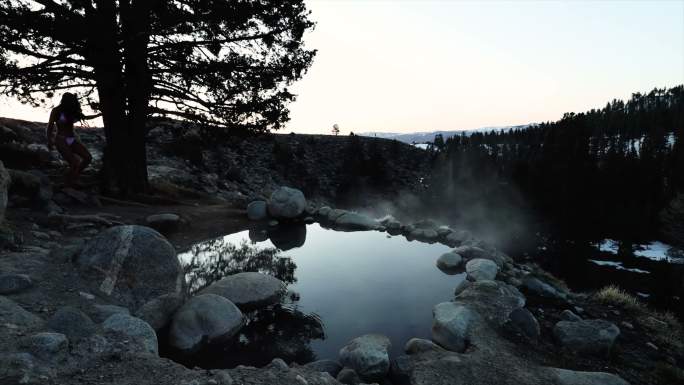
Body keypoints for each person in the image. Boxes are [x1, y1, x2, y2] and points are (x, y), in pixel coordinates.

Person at [46, 93, 93, 186]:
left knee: (88, 157)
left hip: (71, 139)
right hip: (61, 140)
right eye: (71, 100)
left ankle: (72, 177)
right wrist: (49, 140)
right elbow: (50, 126)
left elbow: (84, 117)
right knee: (74, 162)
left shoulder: (71, 110)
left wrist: (100, 114)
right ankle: (69, 182)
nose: (73, 102)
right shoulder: (56, 110)